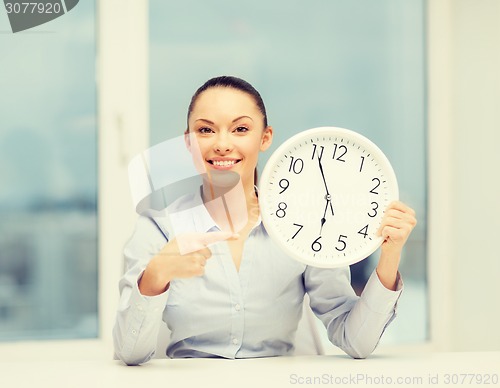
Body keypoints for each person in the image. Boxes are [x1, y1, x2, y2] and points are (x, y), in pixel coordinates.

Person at [113, 76, 417, 365]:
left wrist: (389, 256)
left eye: (240, 129)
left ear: (265, 138)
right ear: (189, 142)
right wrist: (156, 274)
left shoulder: (306, 228)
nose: (222, 144)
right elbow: (130, 353)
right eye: (206, 130)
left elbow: (356, 341)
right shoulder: (158, 228)